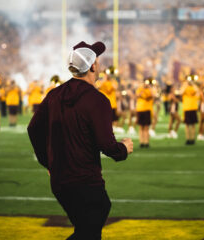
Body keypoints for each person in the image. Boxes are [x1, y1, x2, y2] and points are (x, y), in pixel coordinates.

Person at [28, 41, 133, 240]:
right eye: (98, 60)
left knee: (86, 228)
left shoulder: (54, 95)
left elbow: (33, 129)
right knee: (89, 230)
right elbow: (106, 144)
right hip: (85, 180)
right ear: (93, 66)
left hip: (60, 180)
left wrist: (48, 162)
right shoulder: (98, 100)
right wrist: (123, 149)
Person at [136, 78, 154, 148]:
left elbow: (153, 95)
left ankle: (146, 142)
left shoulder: (150, 89)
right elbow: (137, 95)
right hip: (140, 109)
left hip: (147, 109)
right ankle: (141, 142)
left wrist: (149, 88)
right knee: (141, 127)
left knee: (146, 127)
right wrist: (143, 88)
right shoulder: (140, 89)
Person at [181, 78, 199, 145]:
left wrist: (193, 83)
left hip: (193, 107)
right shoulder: (184, 86)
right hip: (187, 108)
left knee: (193, 125)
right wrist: (186, 84)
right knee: (187, 125)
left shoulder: (194, 87)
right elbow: (181, 92)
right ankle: (188, 139)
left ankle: (193, 139)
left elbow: (197, 92)